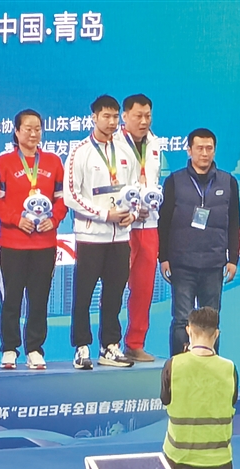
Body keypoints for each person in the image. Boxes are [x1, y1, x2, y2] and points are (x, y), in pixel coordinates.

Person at [63, 95, 136, 370]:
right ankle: (82, 347)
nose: (112, 122)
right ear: (93, 117)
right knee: (84, 294)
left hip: (121, 236)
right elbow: (71, 196)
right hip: (91, 236)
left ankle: (110, 346)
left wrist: (132, 212)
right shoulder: (79, 152)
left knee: (115, 294)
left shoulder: (125, 150)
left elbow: (135, 189)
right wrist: (105, 215)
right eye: (106, 116)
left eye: (115, 116)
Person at [0, 109, 67, 370]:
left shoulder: (53, 162)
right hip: (13, 242)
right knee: (11, 299)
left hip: (44, 244)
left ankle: (34, 348)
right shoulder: (4, 162)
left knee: (39, 299)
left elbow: (62, 199)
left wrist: (53, 220)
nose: (33, 134)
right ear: (16, 131)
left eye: (37, 129)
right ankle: (9, 349)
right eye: (28, 129)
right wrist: (16, 219)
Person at [158, 128, 240, 357]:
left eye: (209, 148)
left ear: (214, 151)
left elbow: (235, 222)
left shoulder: (228, 181)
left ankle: (209, 367)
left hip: (214, 264)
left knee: (210, 321)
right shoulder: (174, 181)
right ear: (189, 150)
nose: (204, 153)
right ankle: (178, 367)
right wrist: (163, 257)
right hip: (182, 263)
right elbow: (163, 222)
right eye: (199, 148)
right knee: (181, 320)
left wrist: (233, 259)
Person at [161, 307, 238, 469]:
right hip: (218, 461)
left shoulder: (173, 365)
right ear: (216, 334)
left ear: (188, 330)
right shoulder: (230, 368)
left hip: (178, 458)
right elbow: (232, 401)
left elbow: (165, 399)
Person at [120, 94, 161, 362]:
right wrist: (131, 208)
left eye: (148, 116)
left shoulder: (155, 143)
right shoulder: (113, 143)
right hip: (121, 225)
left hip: (149, 224)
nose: (144, 121)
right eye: (138, 116)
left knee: (144, 288)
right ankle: (109, 343)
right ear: (125, 116)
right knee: (113, 288)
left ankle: (135, 343)